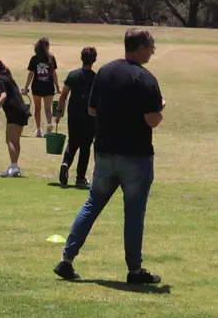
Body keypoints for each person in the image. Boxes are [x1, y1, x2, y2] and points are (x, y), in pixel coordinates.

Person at [53, 29, 164, 286]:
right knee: (133, 214)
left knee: (92, 205)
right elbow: (153, 120)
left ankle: (66, 259)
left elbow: (92, 109)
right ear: (140, 48)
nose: (152, 52)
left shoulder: (105, 72)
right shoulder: (146, 79)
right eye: (151, 47)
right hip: (135, 156)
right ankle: (134, 270)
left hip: (104, 152)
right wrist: (161, 108)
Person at [56, 47, 100, 189]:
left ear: (81, 58)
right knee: (85, 146)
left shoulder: (73, 75)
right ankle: (80, 177)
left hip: (74, 114)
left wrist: (59, 112)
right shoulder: (95, 78)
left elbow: (63, 95)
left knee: (73, 142)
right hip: (90, 115)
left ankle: (65, 163)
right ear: (94, 60)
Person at [0, 59, 30, 177]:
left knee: (9, 140)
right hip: (22, 111)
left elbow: (4, 96)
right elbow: (8, 94)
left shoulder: (0, 80)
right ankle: (14, 167)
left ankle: (14, 167)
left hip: (14, 112)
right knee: (15, 140)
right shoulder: (8, 78)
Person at [26, 38, 59, 137]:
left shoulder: (34, 59)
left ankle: (38, 129)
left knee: (37, 108)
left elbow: (30, 74)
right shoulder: (51, 58)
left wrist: (25, 88)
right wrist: (58, 87)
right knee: (48, 109)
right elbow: (54, 74)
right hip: (49, 86)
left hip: (37, 86)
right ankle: (49, 124)